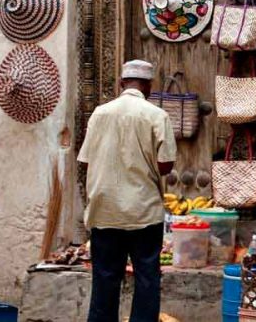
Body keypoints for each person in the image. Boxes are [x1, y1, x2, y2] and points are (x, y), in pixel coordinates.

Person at [77, 60, 176, 322]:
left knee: (105, 280)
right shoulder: (157, 115)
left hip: (105, 209)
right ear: (150, 87)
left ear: (121, 84)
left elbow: (85, 159)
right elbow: (165, 166)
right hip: (143, 211)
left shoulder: (99, 113)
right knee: (146, 280)